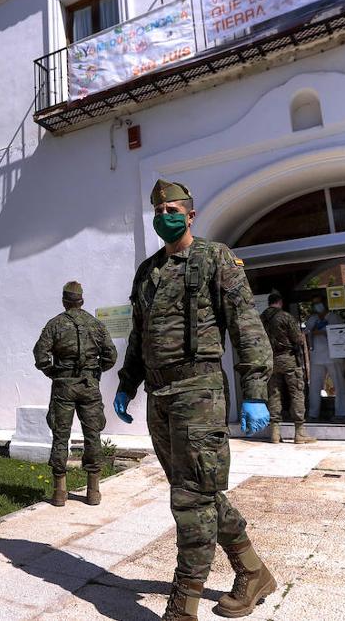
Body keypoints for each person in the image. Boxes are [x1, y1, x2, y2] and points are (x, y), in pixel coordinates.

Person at [113, 180, 276, 620]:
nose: (163, 214)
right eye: (157, 208)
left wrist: (255, 391)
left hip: (199, 391)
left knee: (190, 499)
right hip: (159, 394)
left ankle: (183, 605)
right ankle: (253, 571)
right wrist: (128, 382)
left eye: (172, 207)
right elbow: (140, 335)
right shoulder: (147, 271)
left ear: (190, 214)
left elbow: (246, 327)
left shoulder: (213, 258)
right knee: (198, 493)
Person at [34, 280, 117, 507]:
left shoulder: (55, 325)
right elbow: (111, 355)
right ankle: (93, 492)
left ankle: (60, 493)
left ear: (64, 301)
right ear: (81, 300)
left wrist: (54, 372)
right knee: (93, 435)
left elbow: (40, 354)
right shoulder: (95, 325)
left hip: (64, 386)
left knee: (61, 435)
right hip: (89, 386)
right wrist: (96, 371)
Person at [260, 291, 315, 444]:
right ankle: (299, 432)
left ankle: (275, 432)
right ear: (280, 302)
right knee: (296, 392)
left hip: (270, 360)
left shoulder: (261, 318)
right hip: (288, 359)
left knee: (273, 394)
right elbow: (298, 339)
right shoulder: (285, 317)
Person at [305, 293, 345, 422]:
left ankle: (341, 413)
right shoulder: (311, 320)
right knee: (314, 386)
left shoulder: (334, 318)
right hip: (316, 357)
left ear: (325, 304)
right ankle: (313, 414)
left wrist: (323, 332)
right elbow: (306, 334)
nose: (316, 306)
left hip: (333, 356)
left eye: (318, 303)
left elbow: (340, 334)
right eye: (314, 304)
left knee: (339, 385)